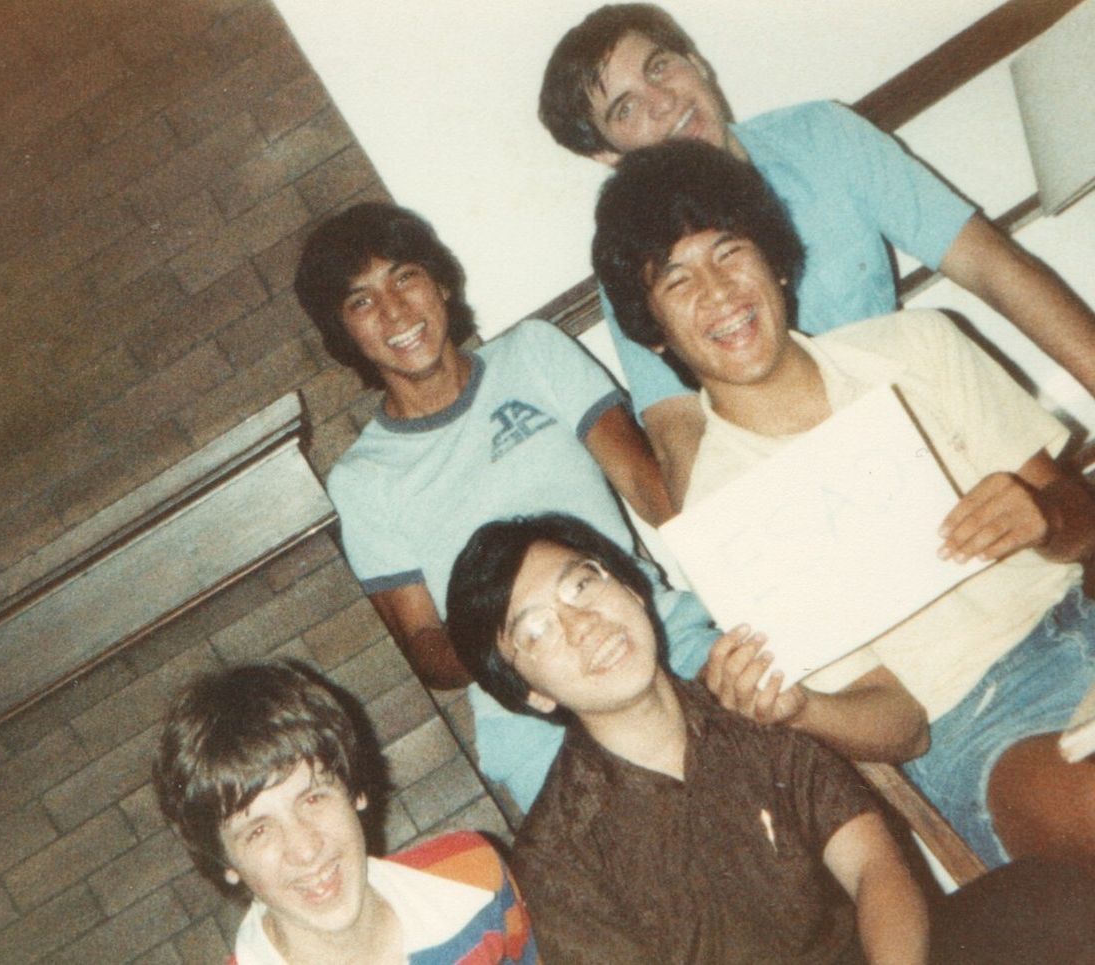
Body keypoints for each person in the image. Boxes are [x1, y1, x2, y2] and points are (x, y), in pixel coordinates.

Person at [591, 140, 1095, 871]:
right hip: (979, 723)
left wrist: (1046, 517)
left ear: (776, 260)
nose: (719, 292)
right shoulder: (722, 519)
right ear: (656, 331)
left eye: (730, 252)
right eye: (678, 280)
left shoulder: (917, 345)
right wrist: (800, 709)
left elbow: (1083, 524)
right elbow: (904, 727)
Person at [446, 512, 1095, 964]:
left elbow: (873, 865)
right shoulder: (558, 859)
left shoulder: (752, 708)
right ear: (532, 692)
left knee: (1058, 894)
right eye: (538, 631)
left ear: (631, 588)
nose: (583, 623)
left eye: (582, 584)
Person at [540, 3, 1095, 501]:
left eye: (660, 67)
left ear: (697, 62)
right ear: (607, 155)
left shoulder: (822, 136)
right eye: (626, 109)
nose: (663, 102)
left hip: (930, 425)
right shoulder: (633, 256)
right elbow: (678, 432)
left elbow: (994, 268)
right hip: (808, 493)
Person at [295, 201, 717, 810]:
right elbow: (425, 646)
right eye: (361, 302)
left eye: (405, 277)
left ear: (441, 282)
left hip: (658, 636)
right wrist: (520, 644)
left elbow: (649, 487)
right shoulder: (363, 480)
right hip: (528, 714)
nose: (395, 311)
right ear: (345, 336)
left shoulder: (533, 354)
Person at [151, 660, 538, 964]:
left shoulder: (472, 875)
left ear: (354, 791)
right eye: (258, 830)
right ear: (226, 861)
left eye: (313, 799)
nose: (305, 850)